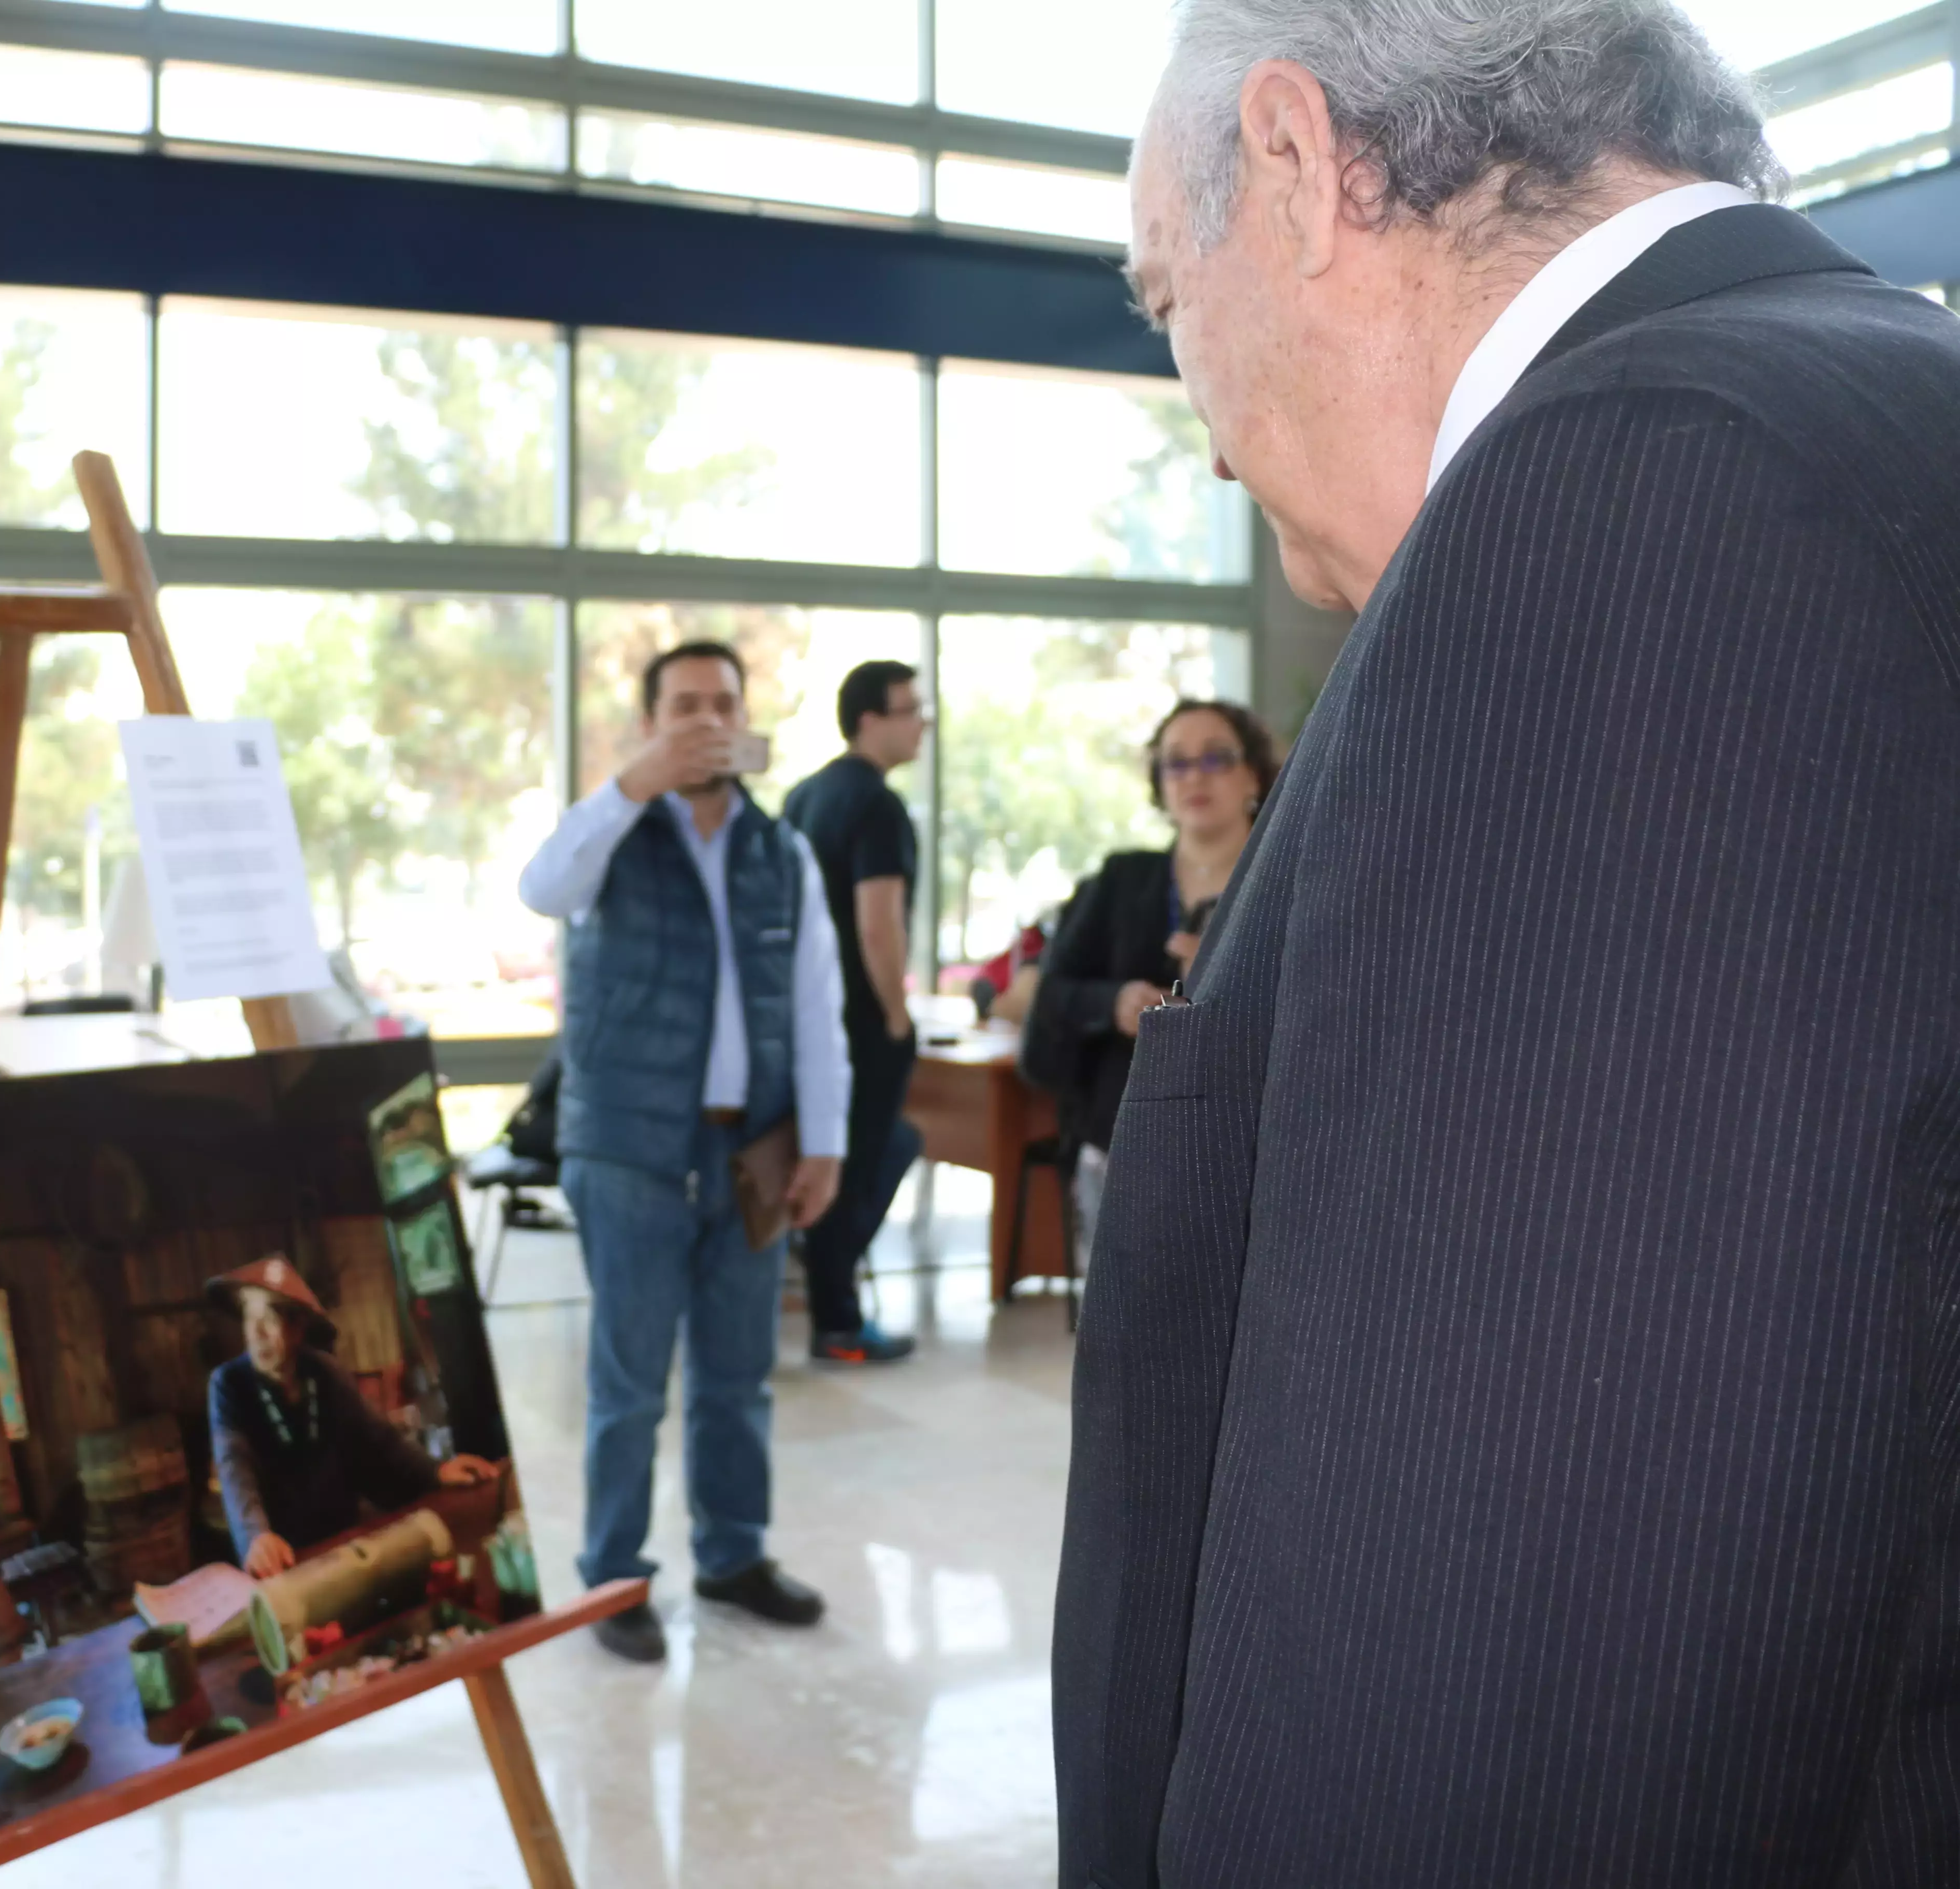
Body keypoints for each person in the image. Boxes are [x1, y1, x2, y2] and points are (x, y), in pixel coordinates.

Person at [1062, 5, 1960, 1885]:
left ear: (1302, 167)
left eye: (1164, 295)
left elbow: (1497, 1661)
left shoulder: (1633, 494)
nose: (1201, 424)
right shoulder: (1873, 416)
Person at [518, 641, 851, 1664]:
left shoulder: (779, 849)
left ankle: (733, 1555)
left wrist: (826, 1145)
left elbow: (815, 1006)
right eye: (684, 706)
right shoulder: (609, 830)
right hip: (627, 1150)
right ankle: (614, 1580)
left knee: (738, 1375)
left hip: (749, 1151)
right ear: (652, 722)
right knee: (628, 1381)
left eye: (722, 703)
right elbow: (543, 889)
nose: (706, 720)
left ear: (749, 720)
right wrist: (632, 785)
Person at [1019, 699, 1276, 1246]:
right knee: (1122, 1324)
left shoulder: (1282, 886)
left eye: (1216, 758)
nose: (1194, 777)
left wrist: (1223, 981)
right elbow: (1053, 996)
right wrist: (1116, 1002)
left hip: (1255, 1142)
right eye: (1176, 763)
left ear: (1253, 772)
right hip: (1124, 1139)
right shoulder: (1121, 879)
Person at [781, 658, 928, 1364]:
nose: (921, 723)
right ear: (870, 720)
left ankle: (819, 1280)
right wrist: (896, 1013)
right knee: (866, 1156)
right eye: (910, 710)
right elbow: (879, 922)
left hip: (805, 1013)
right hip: (858, 1019)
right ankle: (837, 1318)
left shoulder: (805, 795)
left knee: (832, 1153)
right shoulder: (876, 805)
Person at [205, 1255, 493, 1579]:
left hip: (346, 1545)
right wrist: (255, 1535)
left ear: (298, 1328)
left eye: (269, 1317)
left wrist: (437, 1471)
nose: (256, 1333)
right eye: (249, 1317)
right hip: (283, 1561)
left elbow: (382, 1441)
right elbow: (234, 1467)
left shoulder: (326, 1373)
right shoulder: (228, 1384)